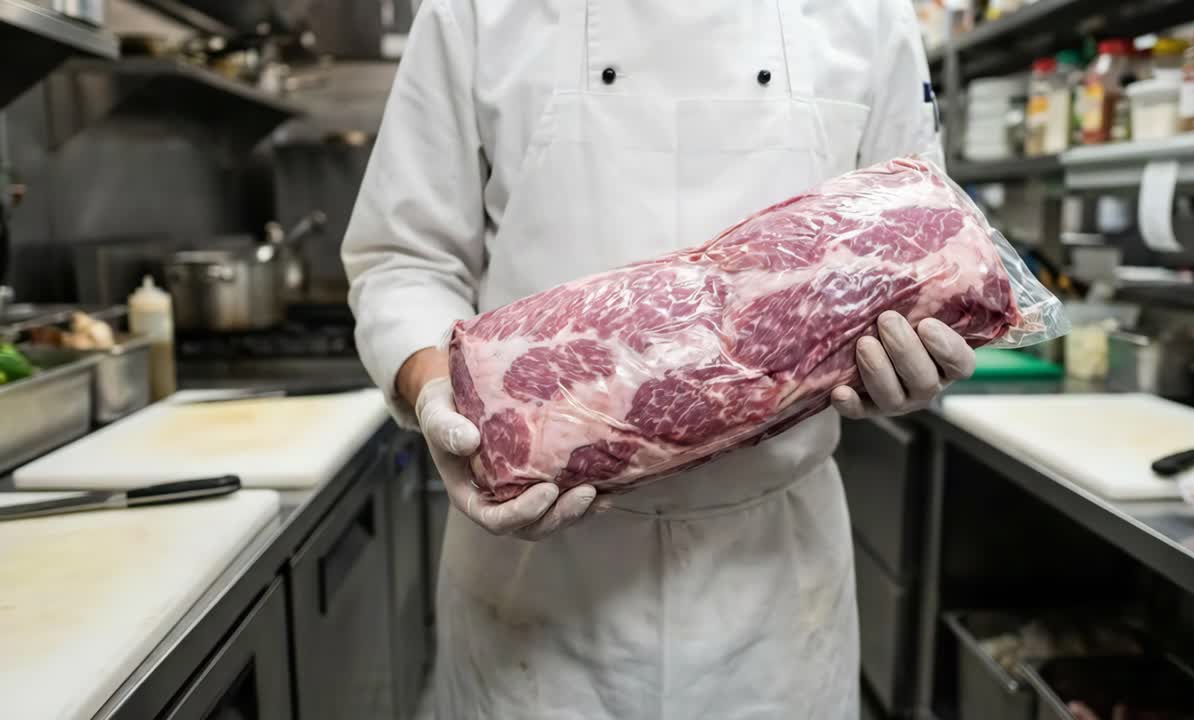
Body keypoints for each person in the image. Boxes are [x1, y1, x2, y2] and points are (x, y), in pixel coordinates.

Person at [343, 1, 976, 717]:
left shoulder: (868, 14)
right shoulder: (475, 11)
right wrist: (432, 390)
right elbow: (403, 259)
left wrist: (916, 356)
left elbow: (927, 241)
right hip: (537, 583)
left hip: (774, 586)